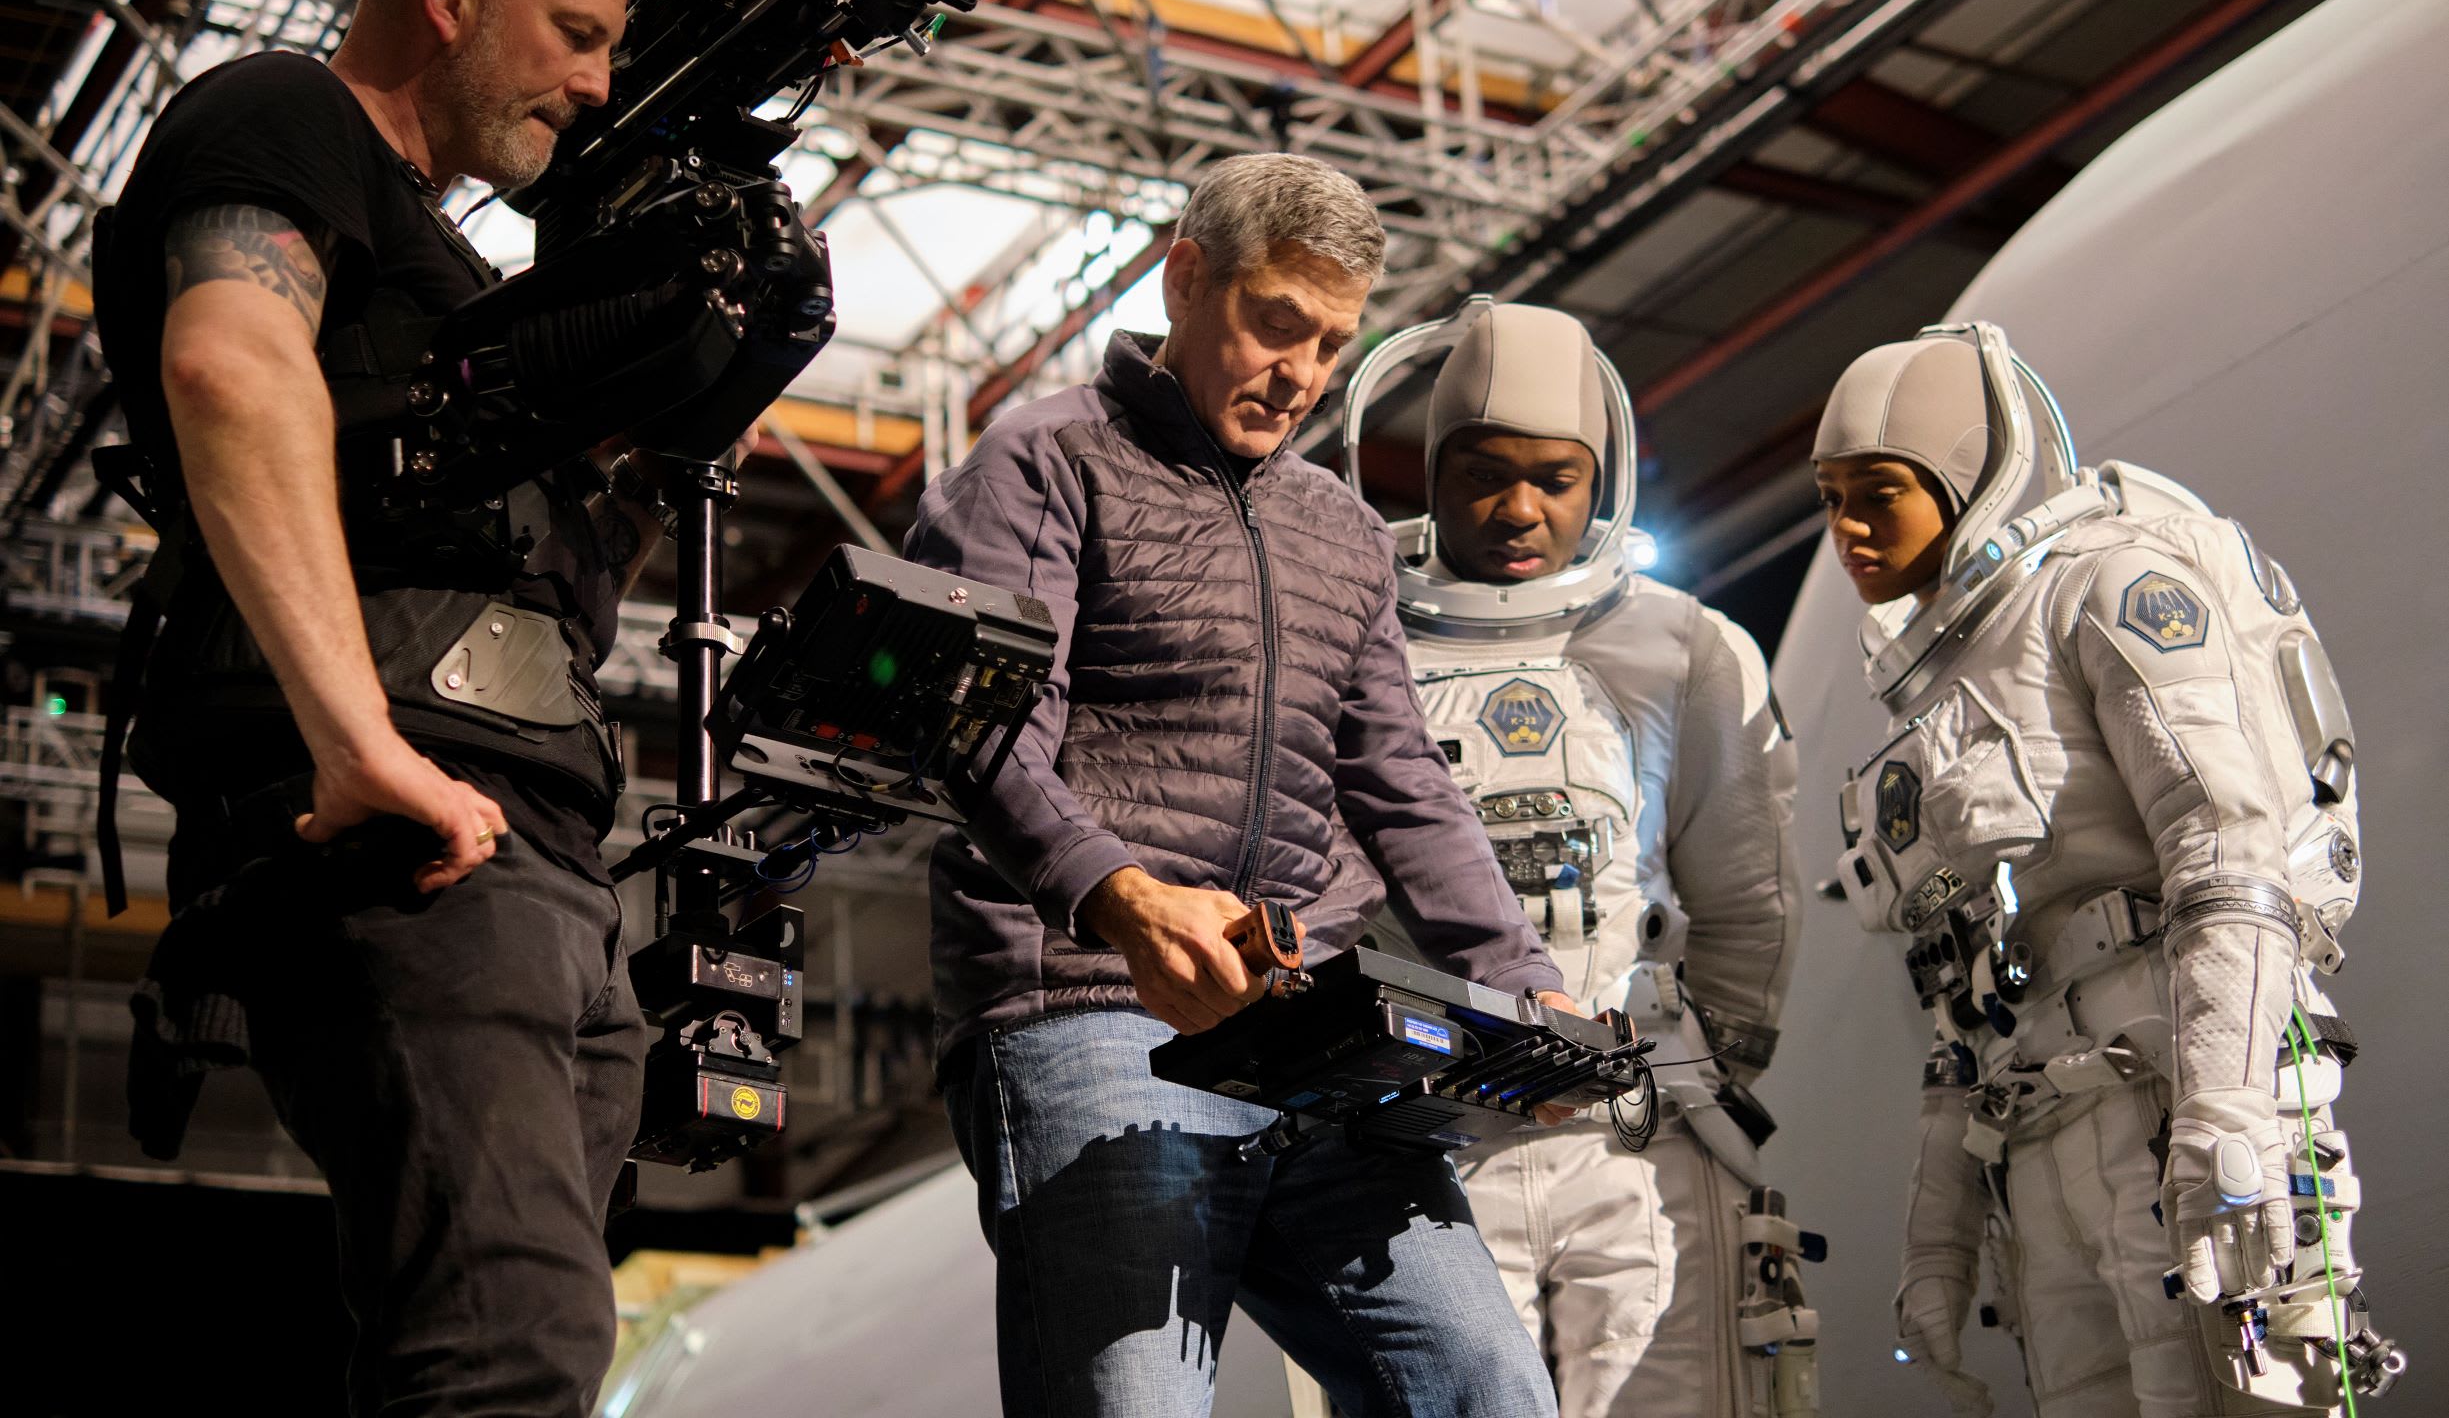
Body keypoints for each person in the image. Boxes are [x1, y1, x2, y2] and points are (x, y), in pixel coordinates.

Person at [97, 0, 670, 1417]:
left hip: (533, 848)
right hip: (405, 828)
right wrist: (359, 742)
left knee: (518, 1338)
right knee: (508, 1356)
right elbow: (229, 361)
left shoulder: (456, 270)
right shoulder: (284, 112)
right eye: (574, 34)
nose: (597, 85)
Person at [903, 153, 1573, 1418]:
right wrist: (1118, 897)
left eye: (1331, 343)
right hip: (1088, 1008)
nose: (1302, 374)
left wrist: (1519, 978)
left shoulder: (1342, 532)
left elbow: (1397, 778)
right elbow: (978, 729)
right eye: (1278, 326)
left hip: (1308, 1033)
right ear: (1184, 277)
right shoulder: (1042, 462)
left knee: (1493, 1392)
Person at [1812, 322, 2397, 1417]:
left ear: (1969, 480)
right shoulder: (1937, 690)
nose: (1844, 528)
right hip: (2036, 1118)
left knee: (2233, 1392)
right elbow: (1960, 987)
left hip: (2173, 1068)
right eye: (1827, 496)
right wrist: (1936, 1240)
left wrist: (2224, 1111)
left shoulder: (2108, 587)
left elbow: (2226, 845)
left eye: (1876, 493)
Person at [1336, 301, 1817, 1417]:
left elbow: (1745, 892)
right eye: (1485, 475)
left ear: (1604, 482)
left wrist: (1708, 1071)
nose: (1519, 509)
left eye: (1555, 479)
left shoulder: (1679, 648)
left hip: (1635, 1132)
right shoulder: (1354, 642)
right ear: (1425, 471)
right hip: (1432, 1137)